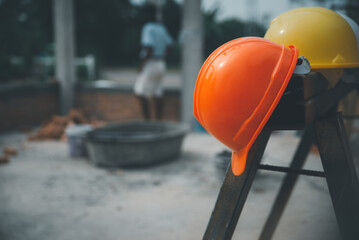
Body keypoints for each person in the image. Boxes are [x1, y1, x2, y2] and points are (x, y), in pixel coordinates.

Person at [134, 4, 173, 121]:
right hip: (161, 63)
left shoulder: (148, 27)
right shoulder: (161, 28)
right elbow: (170, 44)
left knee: (140, 93)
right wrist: (163, 56)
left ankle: (148, 121)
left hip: (150, 63)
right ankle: (158, 120)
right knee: (157, 94)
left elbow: (149, 47)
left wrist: (142, 64)